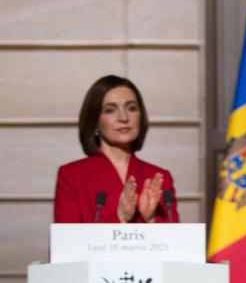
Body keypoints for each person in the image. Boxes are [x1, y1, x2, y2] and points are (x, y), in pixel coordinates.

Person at [54, 75, 178, 223]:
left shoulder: (159, 177)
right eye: (110, 110)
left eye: (131, 108)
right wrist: (119, 218)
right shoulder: (72, 176)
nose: (123, 117)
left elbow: (177, 243)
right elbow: (64, 244)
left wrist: (150, 219)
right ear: (94, 122)